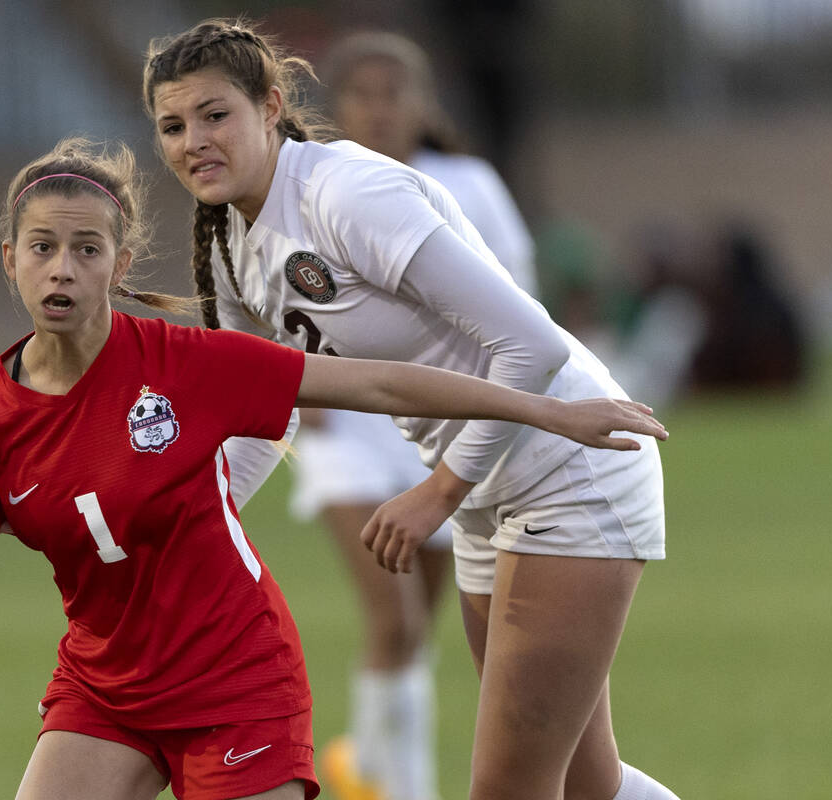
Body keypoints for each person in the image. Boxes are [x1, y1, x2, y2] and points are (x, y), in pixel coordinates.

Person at [0, 136, 667, 800]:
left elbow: (377, 380)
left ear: (119, 263)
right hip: (105, 688)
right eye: (43, 248)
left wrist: (551, 411)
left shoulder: (188, 363)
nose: (62, 269)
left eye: (85, 249)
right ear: (10, 261)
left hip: (234, 682)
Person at [142, 18, 680, 800]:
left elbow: (534, 347)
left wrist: (437, 493)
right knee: (587, 784)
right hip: (490, 489)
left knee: (511, 787)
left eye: (214, 114)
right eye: (173, 125)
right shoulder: (226, 237)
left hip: (569, 468)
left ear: (269, 105)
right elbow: (268, 409)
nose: (195, 140)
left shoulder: (344, 192)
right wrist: (187, 524)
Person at [284, 31, 541, 800]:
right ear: (337, 108)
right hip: (348, 430)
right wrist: (296, 392)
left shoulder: (468, 183)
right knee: (391, 615)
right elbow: (276, 298)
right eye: (362, 94)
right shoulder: (309, 188)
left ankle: (366, 762)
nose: (380, 109)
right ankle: (404, 789)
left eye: (395, 93)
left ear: (422, 104)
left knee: (416, 631)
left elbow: (520, 308)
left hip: (441, 430)